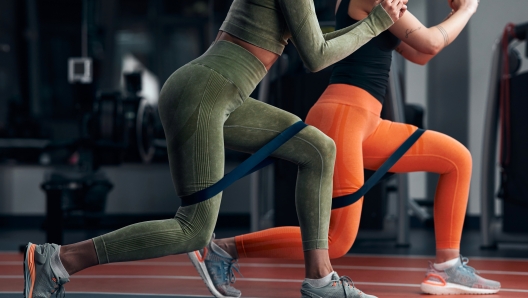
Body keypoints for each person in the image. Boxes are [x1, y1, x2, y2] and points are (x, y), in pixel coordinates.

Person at [22, 0, 408, 297]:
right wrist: (376, 23)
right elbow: (317, 55)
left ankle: (321, 280)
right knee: (193, 229)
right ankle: (56, 259)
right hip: (205, 93)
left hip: (221, 92)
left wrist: (371, 24)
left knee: (318, 148)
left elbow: (316, 38)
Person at [191, 0, 501, 296]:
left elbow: (421, 53)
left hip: (367, 122)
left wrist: (454, 14)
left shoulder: (381, 6)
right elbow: (431, 43)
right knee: (335, 241)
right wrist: (468, 8)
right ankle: (223, 250)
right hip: (344, 117)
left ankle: (447, 268)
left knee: (456, 158)